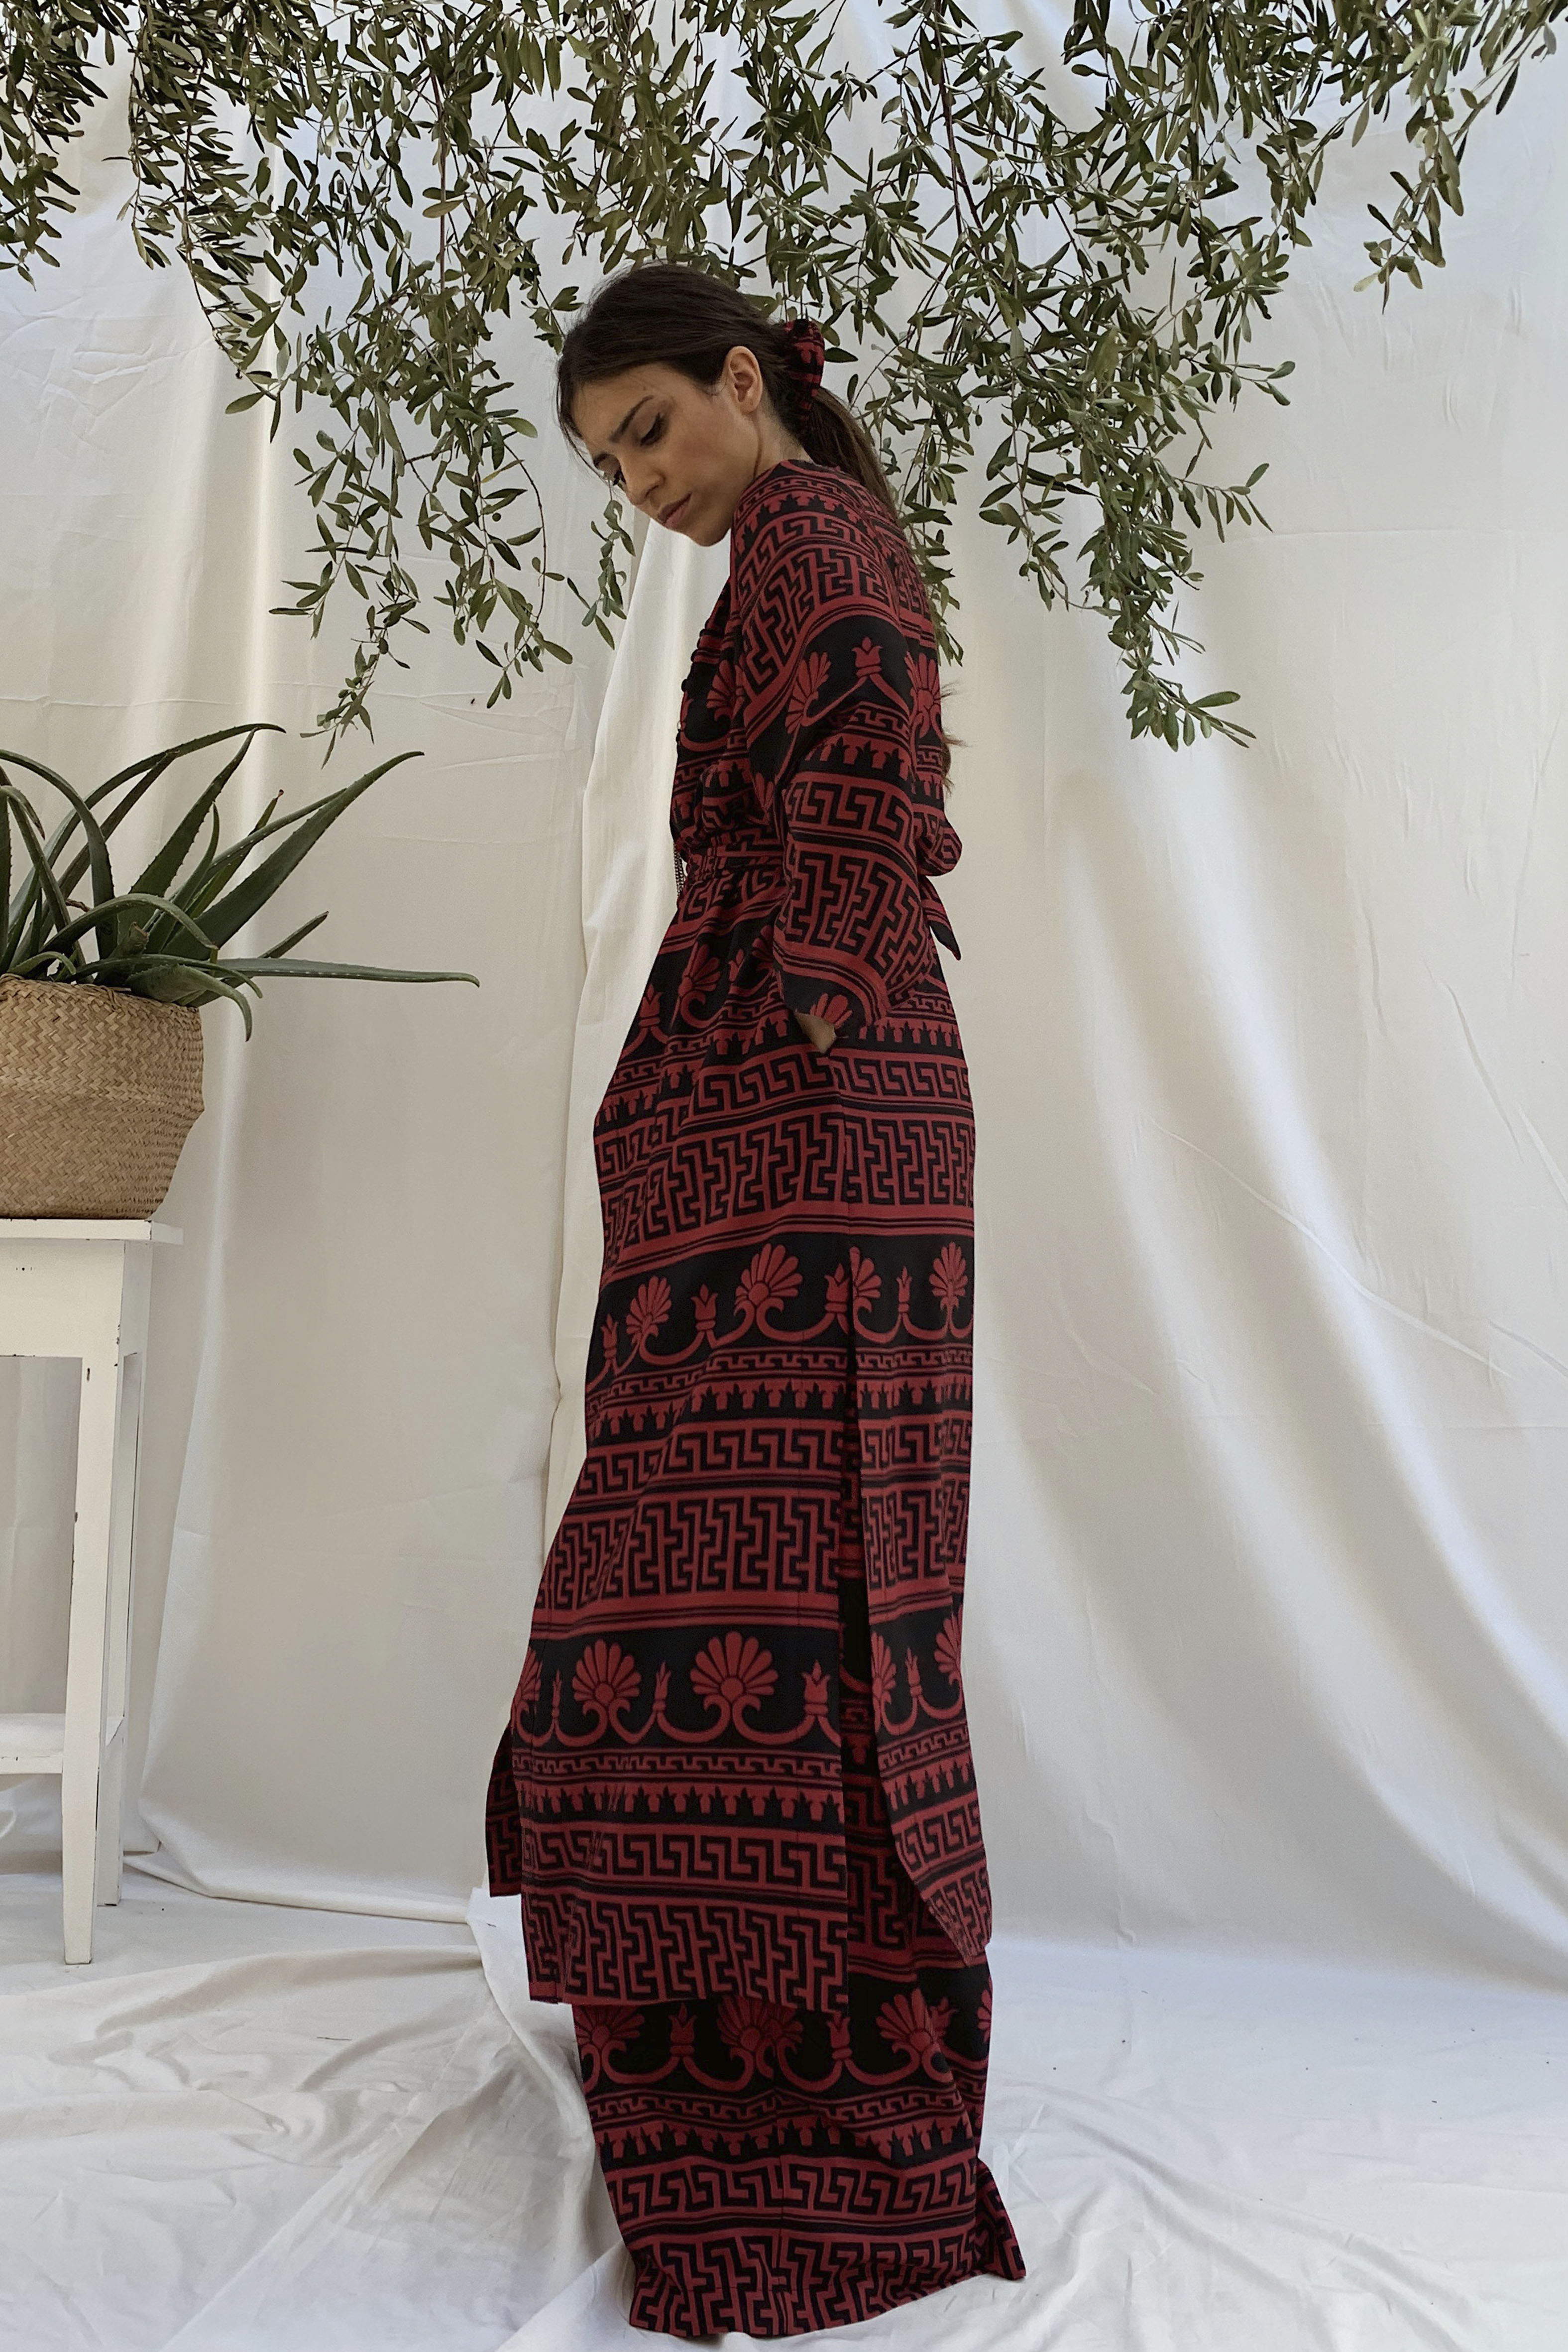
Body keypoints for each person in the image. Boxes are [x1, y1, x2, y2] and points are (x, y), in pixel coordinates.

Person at [485, 259, 1025, 2341]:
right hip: (808, 1132)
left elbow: (866, 763)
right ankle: (760, 2063)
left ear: (741, 377)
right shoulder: (794, 542)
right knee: (772, 1582)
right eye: (608, 463)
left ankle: (796, 2101)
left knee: (774, 1584)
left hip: (814, 1132)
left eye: (648, 430)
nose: (640, 483)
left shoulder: (808, 530)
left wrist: (794, 1012)